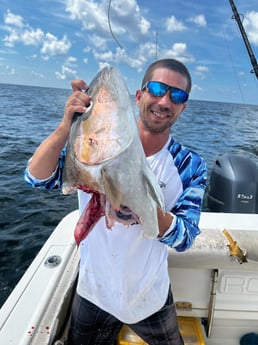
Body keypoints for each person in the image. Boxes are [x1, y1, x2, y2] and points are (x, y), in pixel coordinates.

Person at [24, 58, 207, 345]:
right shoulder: (92, 142)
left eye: (177, 95)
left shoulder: (189, 165)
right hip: (93, 293)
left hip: (150, 297)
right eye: (157, 89)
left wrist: (143, 205)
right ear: (138, 96)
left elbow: (185, 238)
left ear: (183, 107)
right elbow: (36, 178)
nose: (164, 101)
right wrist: (67, 127)